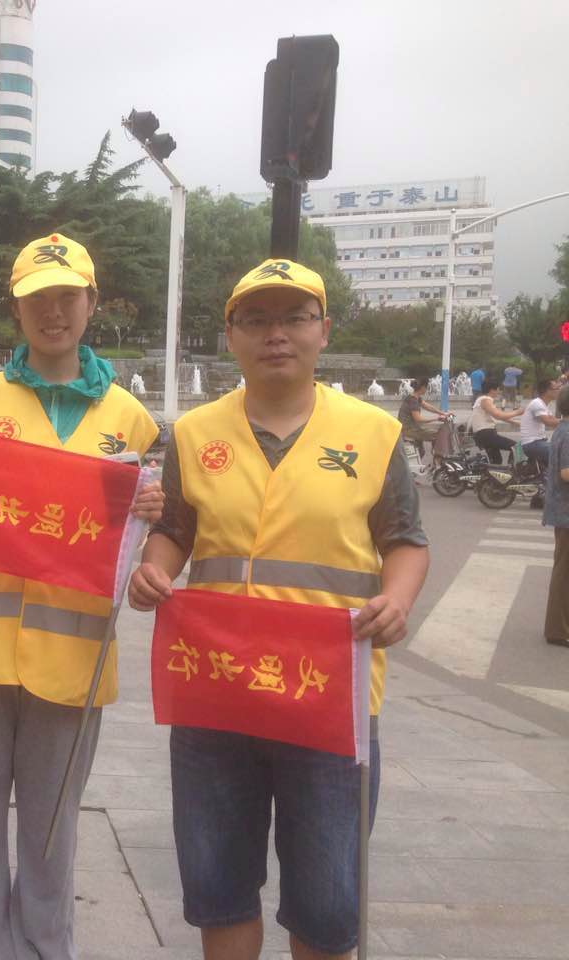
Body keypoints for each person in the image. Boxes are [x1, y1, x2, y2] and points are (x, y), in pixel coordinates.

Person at [128, 258, 430, 960]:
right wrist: (154, 569)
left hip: (328, 700)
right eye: (256, 320)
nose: (277, 334)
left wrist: (397, 600)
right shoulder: (195, 433)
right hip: (216, 692)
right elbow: (175, 530)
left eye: (295, 317)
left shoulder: (373, 433)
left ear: (324, 330)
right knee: (219, 890)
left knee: (327, 906)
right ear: (230, 335)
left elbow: (406, 542)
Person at [0, 233, 162, 960]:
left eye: (67, 297)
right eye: (37, 299)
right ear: (16, 309)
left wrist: (148, 515)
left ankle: (45, 949)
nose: (53, 312)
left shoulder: (133, 420)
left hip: (74, 657)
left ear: (92, 303)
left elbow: (129, 541)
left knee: (52, 830)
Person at [543, 385, 569, 648]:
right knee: (564, 572)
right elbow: (566, 473)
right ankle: (558, 630)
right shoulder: (568, 433)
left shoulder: (562, 429)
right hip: (565, 511)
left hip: (561, 509)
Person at [470, 379, 522, 464]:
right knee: (516, 447)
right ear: (492, 390)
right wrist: (518, 412)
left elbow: (499, 416)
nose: (499, 392)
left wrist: (516, 423)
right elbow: (498, 415)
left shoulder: (482, 400)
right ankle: (512, 469)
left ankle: (492, 472)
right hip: (486, 434)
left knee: (497, 461)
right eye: (498, 389)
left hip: (484, 434)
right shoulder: (485, 400)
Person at [396, 379, 447, 460]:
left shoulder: (415, 397)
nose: (427, 390)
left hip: (411, 428)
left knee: (421, 452)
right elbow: (418, 419)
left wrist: (443, 413)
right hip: (409, 429)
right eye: (427, 388)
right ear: (423, 387)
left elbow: (428, 407)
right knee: (438, 435)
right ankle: (438, 461)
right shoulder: (413, 400)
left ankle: (416, 465)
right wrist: (436, 418)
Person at [518, 379, 560, 470]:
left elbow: (554, 420)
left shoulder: (543, 405)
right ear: (547, 391)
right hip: (532, 444)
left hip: (538, 443)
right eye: (556, 388)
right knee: (562, 453)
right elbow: (548, 422)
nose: (558, 391)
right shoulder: (537, 403)